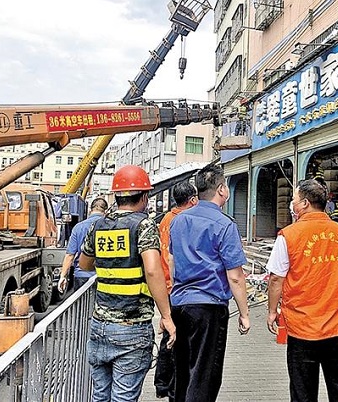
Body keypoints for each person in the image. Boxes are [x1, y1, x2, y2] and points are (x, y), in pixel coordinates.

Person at [79, 165, 176, 402]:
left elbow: (84, 264)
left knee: (100, 397)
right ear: (144, 196)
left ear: (116, 195)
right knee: (123, 398)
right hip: (132, 327)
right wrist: (166, 316)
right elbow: (153, 270)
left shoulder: (98, 225)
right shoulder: (143, 225)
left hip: (99, 325)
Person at [266, 179, 338, 402]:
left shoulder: (289, 235)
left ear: (304, 204)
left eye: (293, 200)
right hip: (337, 327)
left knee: (303, 392)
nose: (291, 205)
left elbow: (275, 278)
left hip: (301, 328)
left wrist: (272, 311)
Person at [170, 163, 250, 402]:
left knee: (182, 370)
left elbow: (172, 260)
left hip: (179, 303)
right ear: (222, 189)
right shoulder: (224, 224)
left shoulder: (179, 221)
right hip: (208, 306)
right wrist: (244, 313)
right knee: (204, 374)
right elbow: (235, 275)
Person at [153, 181, 198, 401]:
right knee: (175, 339)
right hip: (175, 286)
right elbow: (172, 257)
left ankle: (163, 383)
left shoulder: (166, 219)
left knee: (169, 337)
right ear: (192, 200)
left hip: (164, 285)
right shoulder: (182, 221)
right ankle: (170, 387)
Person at [58, 197, 108, 293]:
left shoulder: (78, 227)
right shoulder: (110, 226)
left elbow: (70, 255)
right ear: (105, 211)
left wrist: (63, 276)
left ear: (90, 209)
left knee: (82, 307)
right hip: (104, 276)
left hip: (82, 275)